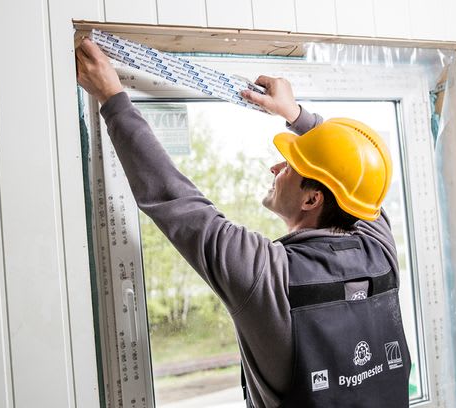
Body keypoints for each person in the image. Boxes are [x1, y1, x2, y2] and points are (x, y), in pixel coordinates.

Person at [76, 37, 411, 408]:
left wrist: (113, 99)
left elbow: (175, 200)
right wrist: (295, 114)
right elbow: (358, 177)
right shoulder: (380, 250)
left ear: (311, 199)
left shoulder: (266, 274)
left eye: (290, 166)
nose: (276, 167)